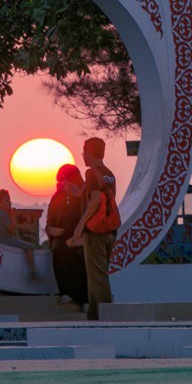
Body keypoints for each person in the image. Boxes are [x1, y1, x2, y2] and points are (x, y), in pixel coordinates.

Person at [70, 137, 120, 320]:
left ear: (89, 153)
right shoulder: (109, 174)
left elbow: (96, 198)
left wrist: (80, 224)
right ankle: (93, 316)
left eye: (83, 152)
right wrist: (76, 192)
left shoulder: (92, 173)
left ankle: (103, 318)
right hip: (110, 230)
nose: (83, 156)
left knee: (97, 277)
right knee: (98, 274)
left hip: (95, 231)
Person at [46, 164, 89, 306]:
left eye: (66, 180)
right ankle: (66, 292)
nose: (63, 184)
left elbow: (83, 216)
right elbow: (50, 219)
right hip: (59, 238)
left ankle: (83, 299)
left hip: (78, 236)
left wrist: (76, 195)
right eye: (61, 181)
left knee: (77, 260)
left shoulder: (84, 194)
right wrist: (51, 230)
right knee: (59, 251)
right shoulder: (57, 197)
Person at [0, 188, 40, 279]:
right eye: (7, 200)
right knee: (30, 247)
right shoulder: (2, 214)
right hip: (5, 241)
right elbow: (12, 229)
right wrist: (13, 216)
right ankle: (32, 271)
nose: (10, 202)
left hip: (2, 240)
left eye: (9, 200)